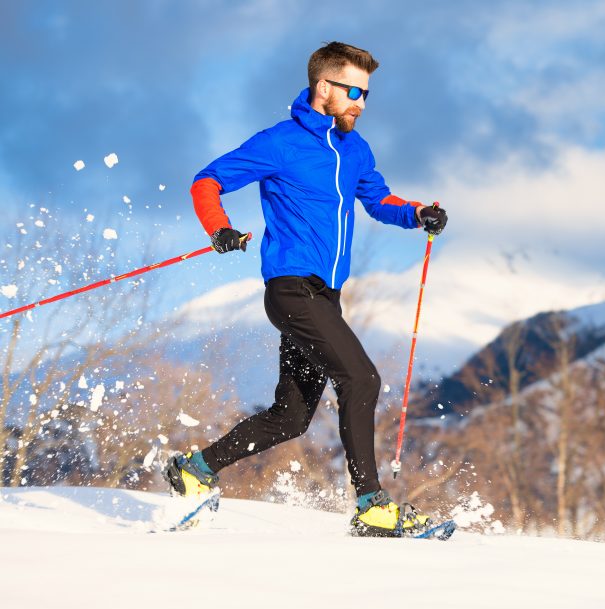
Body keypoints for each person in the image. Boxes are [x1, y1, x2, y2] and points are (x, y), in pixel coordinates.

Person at [164, 41, 448, 537]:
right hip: (292, 289)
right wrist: (219, 228)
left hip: (326, 297)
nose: (361, 103)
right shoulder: (281, 142)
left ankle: (195, 468)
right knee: (361, 379)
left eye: (367, 94)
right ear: (323, 87)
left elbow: (379, 200)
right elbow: (207, 181)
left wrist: (419, 212)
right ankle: (371, 505)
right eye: (354, 92)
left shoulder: (355, 150)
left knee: (290, 418)